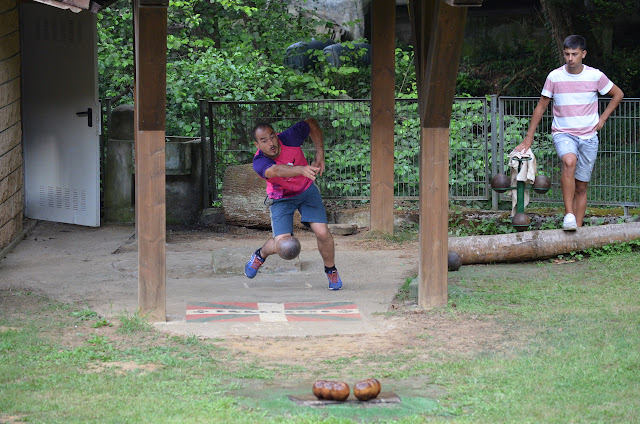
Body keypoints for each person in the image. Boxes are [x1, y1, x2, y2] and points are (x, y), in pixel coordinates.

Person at [514, 34, 624, 230]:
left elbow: (618, 94)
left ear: (583, 53)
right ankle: (569, 214)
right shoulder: (554, 77)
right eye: (567, 54)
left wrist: (603, 118)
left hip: (589, 136)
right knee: (569, 161)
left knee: (581, 187)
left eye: (574, 54)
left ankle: (577, 232)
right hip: (563, 133)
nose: (570, 58)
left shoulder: (595, 76)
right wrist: (528, 138)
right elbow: (540, 107)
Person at [244, 118, 343, 290]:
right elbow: (275, 170)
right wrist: (300, 169)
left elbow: (311, 123)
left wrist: (320, 152)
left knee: (322, 232)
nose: (271, 143)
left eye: (272, 136)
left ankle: (331, 270)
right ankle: (261, 255)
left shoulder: (289, 137)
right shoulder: (259, 162)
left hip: (306, 190)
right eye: (264, 140)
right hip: (281, 197)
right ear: (257, 145)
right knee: (284, 246)